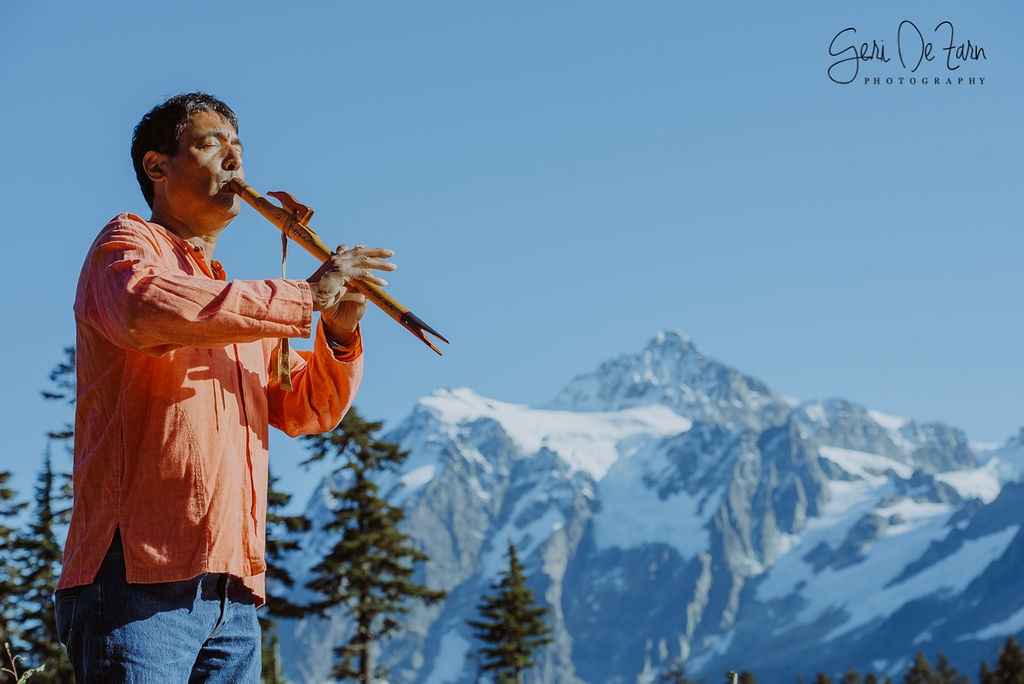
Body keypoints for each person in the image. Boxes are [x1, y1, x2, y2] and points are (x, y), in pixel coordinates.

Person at [53, 92, 396, 682]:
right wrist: (302, 298)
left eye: (240, 148)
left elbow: (305, 410)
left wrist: (338, 334)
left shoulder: (239, 306)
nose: (235, 162)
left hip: (233, 594)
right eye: (213, 145)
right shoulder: (128, 245)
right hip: (135, 577)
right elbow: (141, 309)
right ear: (156, 165)